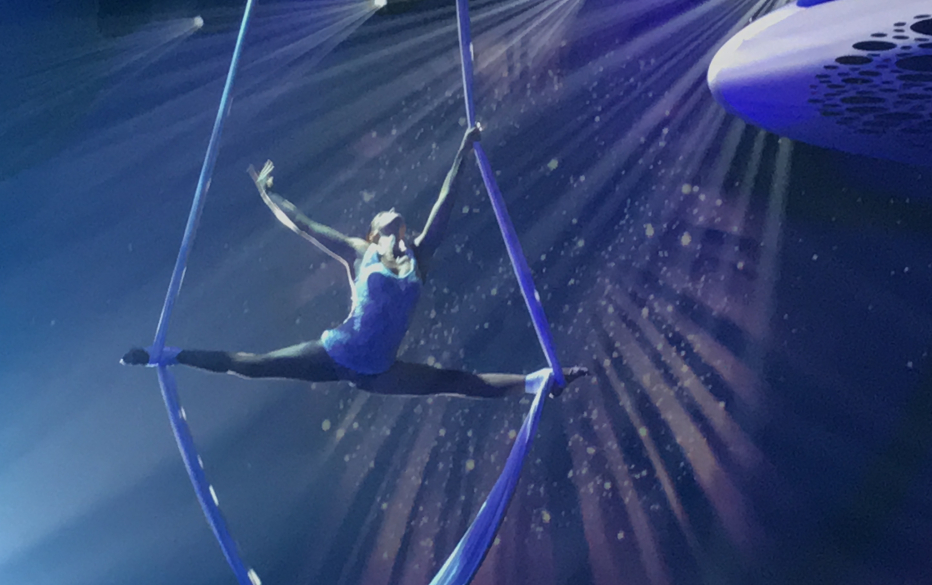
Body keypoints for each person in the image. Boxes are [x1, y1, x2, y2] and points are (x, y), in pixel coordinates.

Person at [122, 125, 586, 398]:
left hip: (380, 371)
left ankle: (537, 383)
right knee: (253, 364)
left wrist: (463, 153)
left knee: (457, 381)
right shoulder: (360, 253)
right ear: (373, 229)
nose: (392, 209)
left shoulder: (419, 255)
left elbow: (445, 202)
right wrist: (268, 195)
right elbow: (303, 225)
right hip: (335, 352)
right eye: (382, 212)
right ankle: (165, 355)